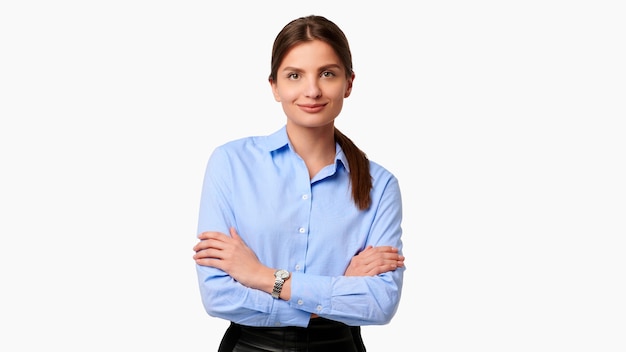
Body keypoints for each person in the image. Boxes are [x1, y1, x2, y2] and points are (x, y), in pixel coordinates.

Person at [192, 14, 405, 352]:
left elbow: (379, 304)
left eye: (328, 74)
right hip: (250, 346)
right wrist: (338, 290)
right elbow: (219, 296)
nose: (312, 90)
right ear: (275, 86)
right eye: (295, 75)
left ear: (348, 83)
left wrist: (263, 276)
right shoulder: (231, 163)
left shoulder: (380, 185)